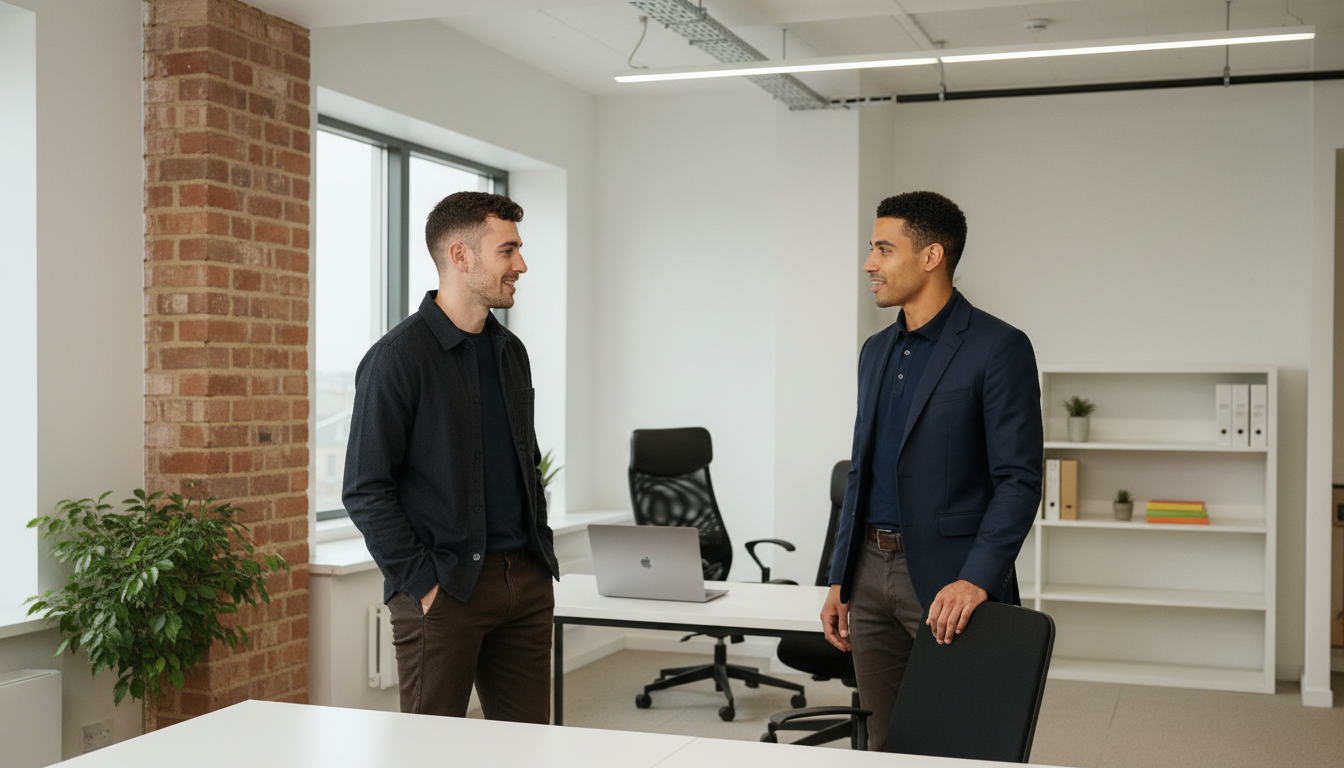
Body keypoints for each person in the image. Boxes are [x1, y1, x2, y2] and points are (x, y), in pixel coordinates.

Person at [820, 191, 1042, 751]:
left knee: (963, 742)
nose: (868, 263)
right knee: (883, 740)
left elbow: (1018, 481)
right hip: (868, 575)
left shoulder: (999, 347)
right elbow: (861, 472)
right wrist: (839, 577)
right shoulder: (875, 351)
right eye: (871, 249)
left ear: (931, 256)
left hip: (951, 581)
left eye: (883, 249)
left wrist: (977, 578)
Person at [343, 191, 558, 723]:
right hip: (444, 591)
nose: (521, 265)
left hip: (524, 583)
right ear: (460, 256)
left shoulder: (512, 352)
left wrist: (539, 555)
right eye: (507, 250)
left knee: (529, 751)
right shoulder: (396, 358)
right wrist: (423, 584)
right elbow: (365, 488)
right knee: (429, 752)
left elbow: (526, 460)